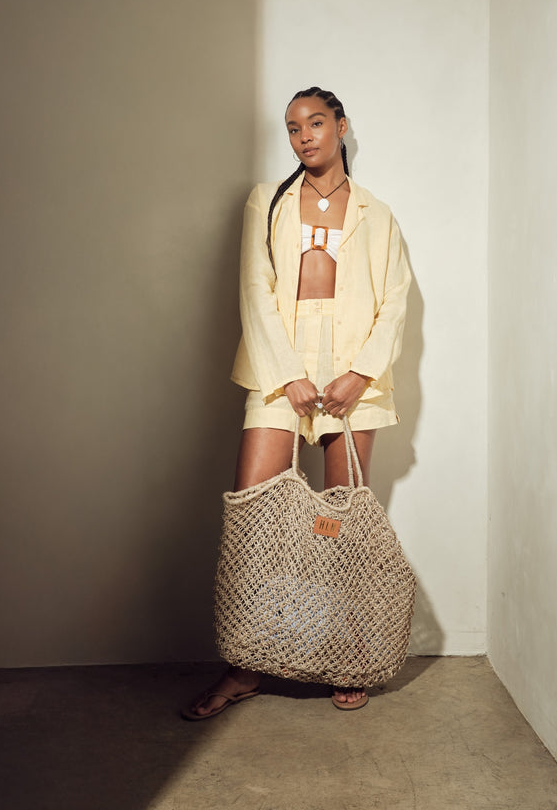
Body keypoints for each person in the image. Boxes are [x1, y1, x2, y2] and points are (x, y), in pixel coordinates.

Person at [182, 86, 411, 719]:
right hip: (279, 365)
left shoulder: (377, 214)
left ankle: (349, 656)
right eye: (292, 127)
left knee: (340, 524)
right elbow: (254, 290)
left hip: (351, 373)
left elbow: (395, 300)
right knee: (256, 518)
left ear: (341, 126)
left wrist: (359, 374)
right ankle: (245, 666)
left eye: (315, 122)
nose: (303, 135)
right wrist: (287, 376)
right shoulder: (267, 201)